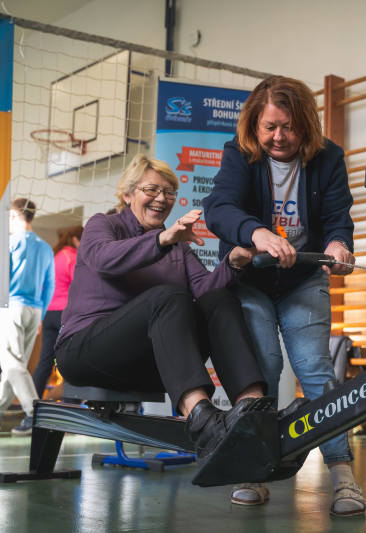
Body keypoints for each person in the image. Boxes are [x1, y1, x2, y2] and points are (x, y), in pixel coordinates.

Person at [203, 75, 365, 516]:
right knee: (264, 369)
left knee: (315, 369)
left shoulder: (329, 157)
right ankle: (253, 470)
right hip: (252, 279)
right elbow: (219, 207)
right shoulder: (239, 153)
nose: (278, 136)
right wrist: (257, 233)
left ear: (306, 126)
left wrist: (338, 245)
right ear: (254, 125)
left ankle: (343, 476)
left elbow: (338, 217)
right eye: (269, 127)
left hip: (303, 279)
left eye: (288, 127)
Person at [54, 154, 272, 461]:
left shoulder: (177, 245)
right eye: (152, 190)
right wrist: (162, 239)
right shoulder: (103, 225)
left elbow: (206, 290)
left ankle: (252, 410)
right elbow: (104, 259)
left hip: (150, 364)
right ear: (126, 194)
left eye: (169, 192)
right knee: (167, 297)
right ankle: (202, 418)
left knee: (219, 300)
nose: (162, 198)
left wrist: (233, 263)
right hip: (84, 352)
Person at [0, 198, 55, 435]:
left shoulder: (9, 243)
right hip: (34, 311)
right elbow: (49, 285)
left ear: (13, 216)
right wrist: (41, 316)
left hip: (12, 309)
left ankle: (34, 414)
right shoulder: (46, 247)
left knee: (13, 366)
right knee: (13, 367)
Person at [31, 225, 83, 399]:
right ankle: (70, 404)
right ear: (75, 239)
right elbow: (79, 286)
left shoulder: (55, 257)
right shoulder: (72, 257)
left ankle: (32, 404)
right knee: (70, 359)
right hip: (64, 314)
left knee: (45, 361)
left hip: (48, 314)